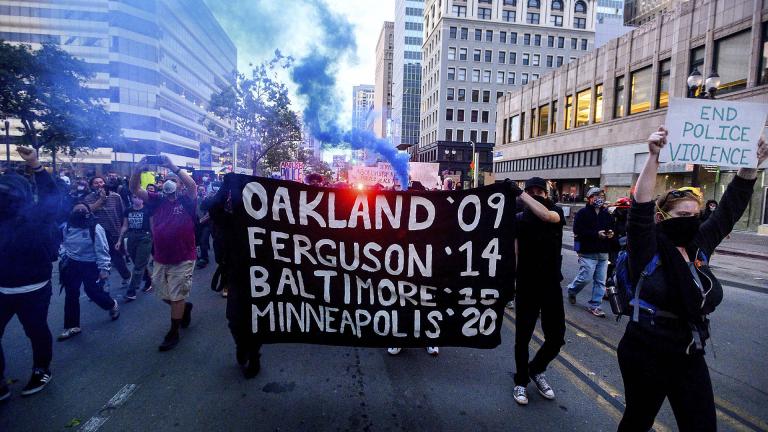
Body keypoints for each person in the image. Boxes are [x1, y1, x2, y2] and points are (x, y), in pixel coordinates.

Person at [617, 127, 767, 432]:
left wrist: (752, 163)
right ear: (663, 217)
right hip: (646, 350)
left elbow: (729, 209)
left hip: (688, 349)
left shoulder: (699, 244)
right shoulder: (647, 245)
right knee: (638, 421)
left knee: (701, 425)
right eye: (682, 215)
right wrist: (653, 156)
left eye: (695, 215)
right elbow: (641, 209)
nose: (691, 221)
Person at [0, 147, 59, 400]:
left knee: (36, 330)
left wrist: (36, 164)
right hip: (2, 289)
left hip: (34, 288)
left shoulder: (36, 215)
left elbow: (52, 196)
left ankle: (41, 369)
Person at [130, 156, 197, 351]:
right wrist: (138, 169)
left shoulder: (187, 200)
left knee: (176, 295)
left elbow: (192, 184)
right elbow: (135, 189)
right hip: (161, 257)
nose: (171, 183)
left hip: (183, 257)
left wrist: (173, 167)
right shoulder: (156, 201)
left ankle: (174, 331)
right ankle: (184, 308)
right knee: (162, 293)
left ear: (179, 185)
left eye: (175, 180)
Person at [512, 177, 566, 406]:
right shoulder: (518, 219)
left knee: (556, 337)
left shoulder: (556, 212)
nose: (535, 194)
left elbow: (546, 216)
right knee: (523, 337)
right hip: (526, 285)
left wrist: (521, 193)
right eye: (530, 191)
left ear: (547, 193)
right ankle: (521, 381)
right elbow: (514, 252)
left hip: (551, 284)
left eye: (539, 191)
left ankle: (536, 369)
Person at [58, 203, 120, 341]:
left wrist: (104, 269)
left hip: (91, 263)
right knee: (71, 293)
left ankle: (111, 305)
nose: (80, 211)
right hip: (72, 263)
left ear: (88, 212)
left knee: (92, 291)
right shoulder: (67, 226)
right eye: (77, 209)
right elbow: (64, 243)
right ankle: (72, 326)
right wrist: (64, 256)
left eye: (83, 209)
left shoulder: (95, 227)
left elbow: (102, 248)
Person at [567, 187, 615, 317]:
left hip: (603, 253)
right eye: (596, 196)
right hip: (587, 252)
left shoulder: (607, 215)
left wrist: (611, 233)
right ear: (589, 198)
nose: (599, 199)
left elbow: (612, 228)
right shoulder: (582, 213)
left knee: (600, 281)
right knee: (585, 277)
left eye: (601, 196)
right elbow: (578, 231)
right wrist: (595, 234)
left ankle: (595, 305)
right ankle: (572, 290)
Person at [84, 176, 131, 288]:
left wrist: (122, 230)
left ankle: (126, 276)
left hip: (114, 231)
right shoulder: (89, 198)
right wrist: (101, 199)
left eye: (101, 182)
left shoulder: (116, 197)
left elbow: (122, 213)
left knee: (117, 257)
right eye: (96, 183)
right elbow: (88, 210)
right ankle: (99, 284)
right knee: (98, 259)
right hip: (97, 233)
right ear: (91, 186)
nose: (99, 184)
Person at [116, 194, 153, 301]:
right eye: (135, 196)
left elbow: (152, 226)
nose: (138, 199)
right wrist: (119, 240)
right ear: (131, 198)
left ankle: (131, 291)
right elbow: (125, 226)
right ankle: (148, 280)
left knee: (138, 266)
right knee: (138, 263)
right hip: (131, 237)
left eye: (140, 197)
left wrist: (154, 240)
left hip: (145, 237)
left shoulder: (148, 210)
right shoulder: (128, 210)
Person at [195, 185, 212, 269]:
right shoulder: (195, 200)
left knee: (203, 240)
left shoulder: (208, 200)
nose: (201, 191)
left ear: (205, 190)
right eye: (199, 189)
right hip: (197, 225)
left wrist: (201, 221)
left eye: (203, 189)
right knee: (197, 241)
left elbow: (210, 214)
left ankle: (204, 259)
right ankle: (199, 255)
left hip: (207, 224)